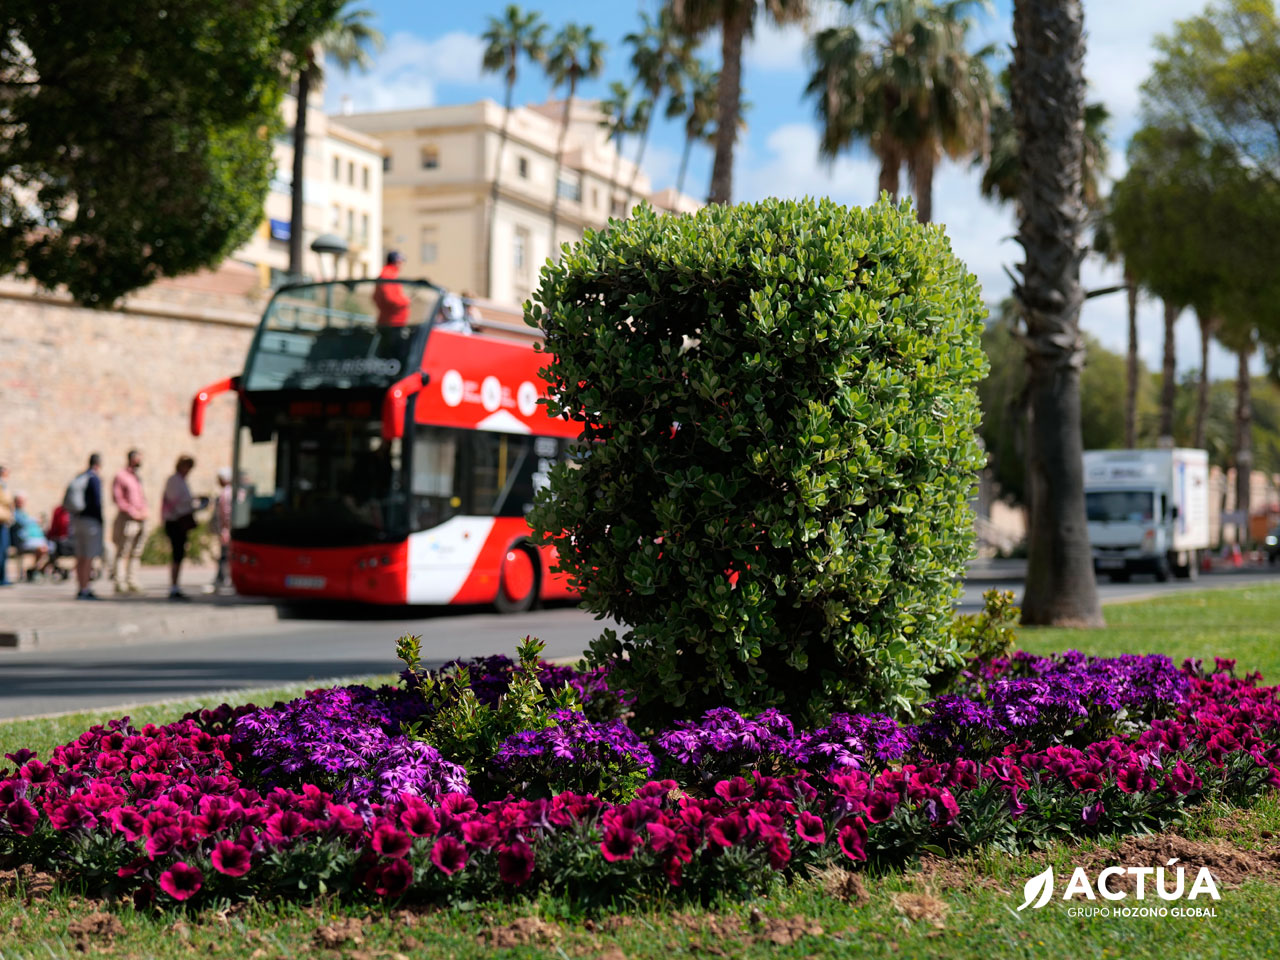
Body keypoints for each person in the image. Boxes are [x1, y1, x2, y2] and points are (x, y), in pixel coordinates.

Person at [161, 455, 199, 602]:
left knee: (179, 554)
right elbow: (176, 501)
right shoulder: (174, 481)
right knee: (177, 554)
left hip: (180, 521)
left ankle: (176, 585)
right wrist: (192, 503)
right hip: (175, 521)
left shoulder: (182, 481)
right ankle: (173, 587)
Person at [67, 453, 105, 600]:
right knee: (89, 557)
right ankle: (86, 588)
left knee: (80, 556)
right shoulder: (94, 479)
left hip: (78, 520)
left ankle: (80, 587)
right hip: (91, 522)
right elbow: (97, 502)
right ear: (98, 464)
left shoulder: (80, 477)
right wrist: (101, 521)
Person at [110, 449, 148, 593]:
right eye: (138, 459)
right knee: (123, 551)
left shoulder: (137, 478)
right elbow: (118, 499)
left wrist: (144, 511)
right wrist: (133, 512)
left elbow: (142, 498)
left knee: (136, 552)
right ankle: (119, 582)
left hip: (141, 519)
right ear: (131, 459)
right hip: (128, 519)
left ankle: (132, 580)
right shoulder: (121, 476)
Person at [10, 494, 49, 580]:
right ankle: (34, 570)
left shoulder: (24, 513)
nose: (21, 503)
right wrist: (35, 520)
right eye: (19, 501)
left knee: (46, 548)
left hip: (32, 540)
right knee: (42, 549)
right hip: (22, 541)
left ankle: (34, 569)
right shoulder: (15, 513)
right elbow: (23, 523)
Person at [209, 467, 233, 594]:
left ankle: (222, 578)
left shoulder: (226, 493)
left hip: (226, 529)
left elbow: (226, 514)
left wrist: (225, 529)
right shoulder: (231, 492)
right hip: (227, 529)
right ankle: (221, 577)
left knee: (225, 555)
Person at [373, 251, 410, 326]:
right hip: (392, 322)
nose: (402, 265)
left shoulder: (389, 274)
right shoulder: (388, 275)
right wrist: (405, 301)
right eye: (401, 262)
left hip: (390, 320)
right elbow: (389, 298)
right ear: (397, 262)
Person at [0, 465, 13, 587]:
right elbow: (7, 500)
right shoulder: (2, 485)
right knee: (2, 550)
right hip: (1, 520)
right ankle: (1, 578)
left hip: (3, 520)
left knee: (3, 551)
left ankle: (3, 577)